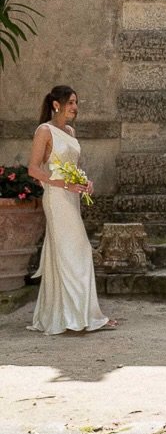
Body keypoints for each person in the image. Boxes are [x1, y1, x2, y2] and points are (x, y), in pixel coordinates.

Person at [26, 85, 116, 335]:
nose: (75, 107)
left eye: (76, 103)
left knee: (73, 252)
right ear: (57, 104)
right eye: (71, 102)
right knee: (76, 251)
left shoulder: (70, 131)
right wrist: (61, 183)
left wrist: (84, 181)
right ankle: (74, 316)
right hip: (56, 197)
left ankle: (79, 314)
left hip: (72, 197)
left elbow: (74, 165)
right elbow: (33, 169)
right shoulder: (44, 131)